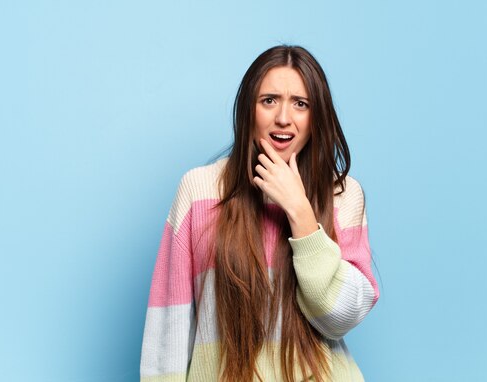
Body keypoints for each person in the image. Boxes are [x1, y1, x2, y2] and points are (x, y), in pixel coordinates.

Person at [140, 45, 379, 382]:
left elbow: (339, 317)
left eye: (301, 103)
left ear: (317, 117)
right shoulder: (200, 190)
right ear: (248, 110)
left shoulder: (343, 194)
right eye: (269, 100)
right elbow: (169, 326)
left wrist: (300, 211)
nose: (284, 117)